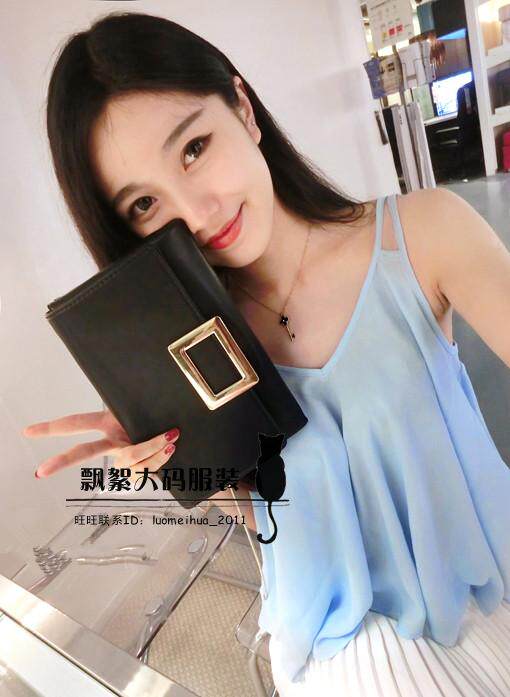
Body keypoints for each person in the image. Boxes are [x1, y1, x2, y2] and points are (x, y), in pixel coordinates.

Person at [23, 11, 510, 696]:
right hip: (337, 650)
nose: (195, 213)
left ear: (243, 109)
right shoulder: (197, 345)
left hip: (480, 607)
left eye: (193, 148)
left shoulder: (423, 234)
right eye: (144, 204)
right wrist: (181, 450)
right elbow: (275, 520)